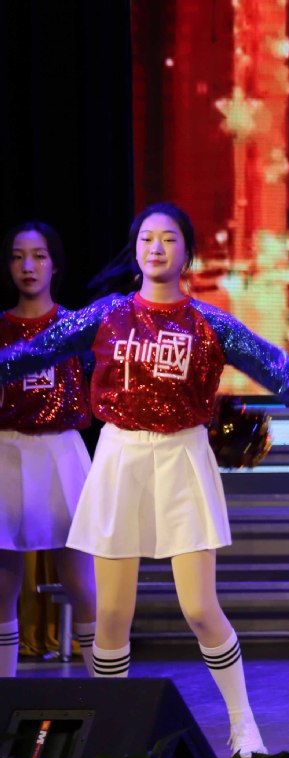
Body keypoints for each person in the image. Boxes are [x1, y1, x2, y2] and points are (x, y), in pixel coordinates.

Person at [0, 203, 289, 757]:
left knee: (200, 609)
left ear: (187, 253)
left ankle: (243, 726)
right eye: (146, 239)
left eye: (167, 239)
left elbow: (281, 371)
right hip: (120, 456)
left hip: (183, 457)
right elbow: (31, 353)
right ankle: (109, 740)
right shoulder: (108, 313)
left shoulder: (210, 323)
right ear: (135, 250)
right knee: (112, 615)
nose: (155, 248)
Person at [0, 222, 97, 677]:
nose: (28, 266)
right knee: (3, 583)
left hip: (62, 454)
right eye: (18, 256)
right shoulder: (1, 328)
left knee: (81, 579)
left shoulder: (77, 328)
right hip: (7, 453)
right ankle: (5, 690)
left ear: (54, 265)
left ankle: (107, 690)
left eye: (39, 256)